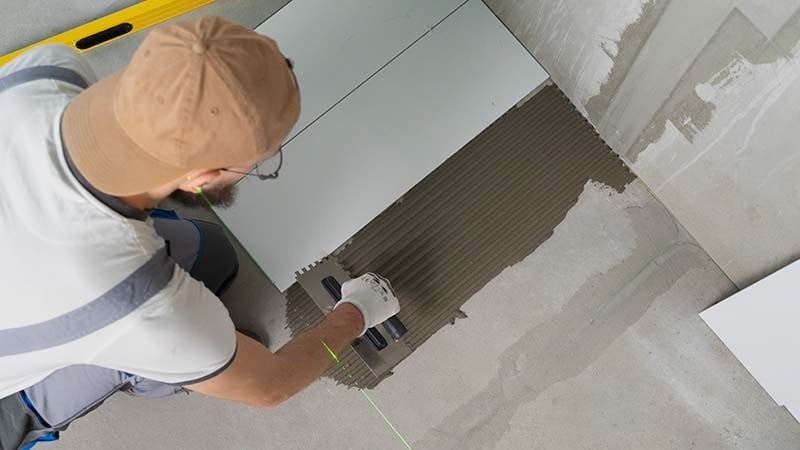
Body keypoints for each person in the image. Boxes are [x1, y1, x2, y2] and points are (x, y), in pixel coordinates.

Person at [0, 16, 400, 449]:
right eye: (259, 165)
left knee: (212, 256)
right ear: (203, 176)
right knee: (170, 344)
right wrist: (356, 313)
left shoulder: (44, 72)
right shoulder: (133, 303)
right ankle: (156, 374)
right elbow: (270, 385)